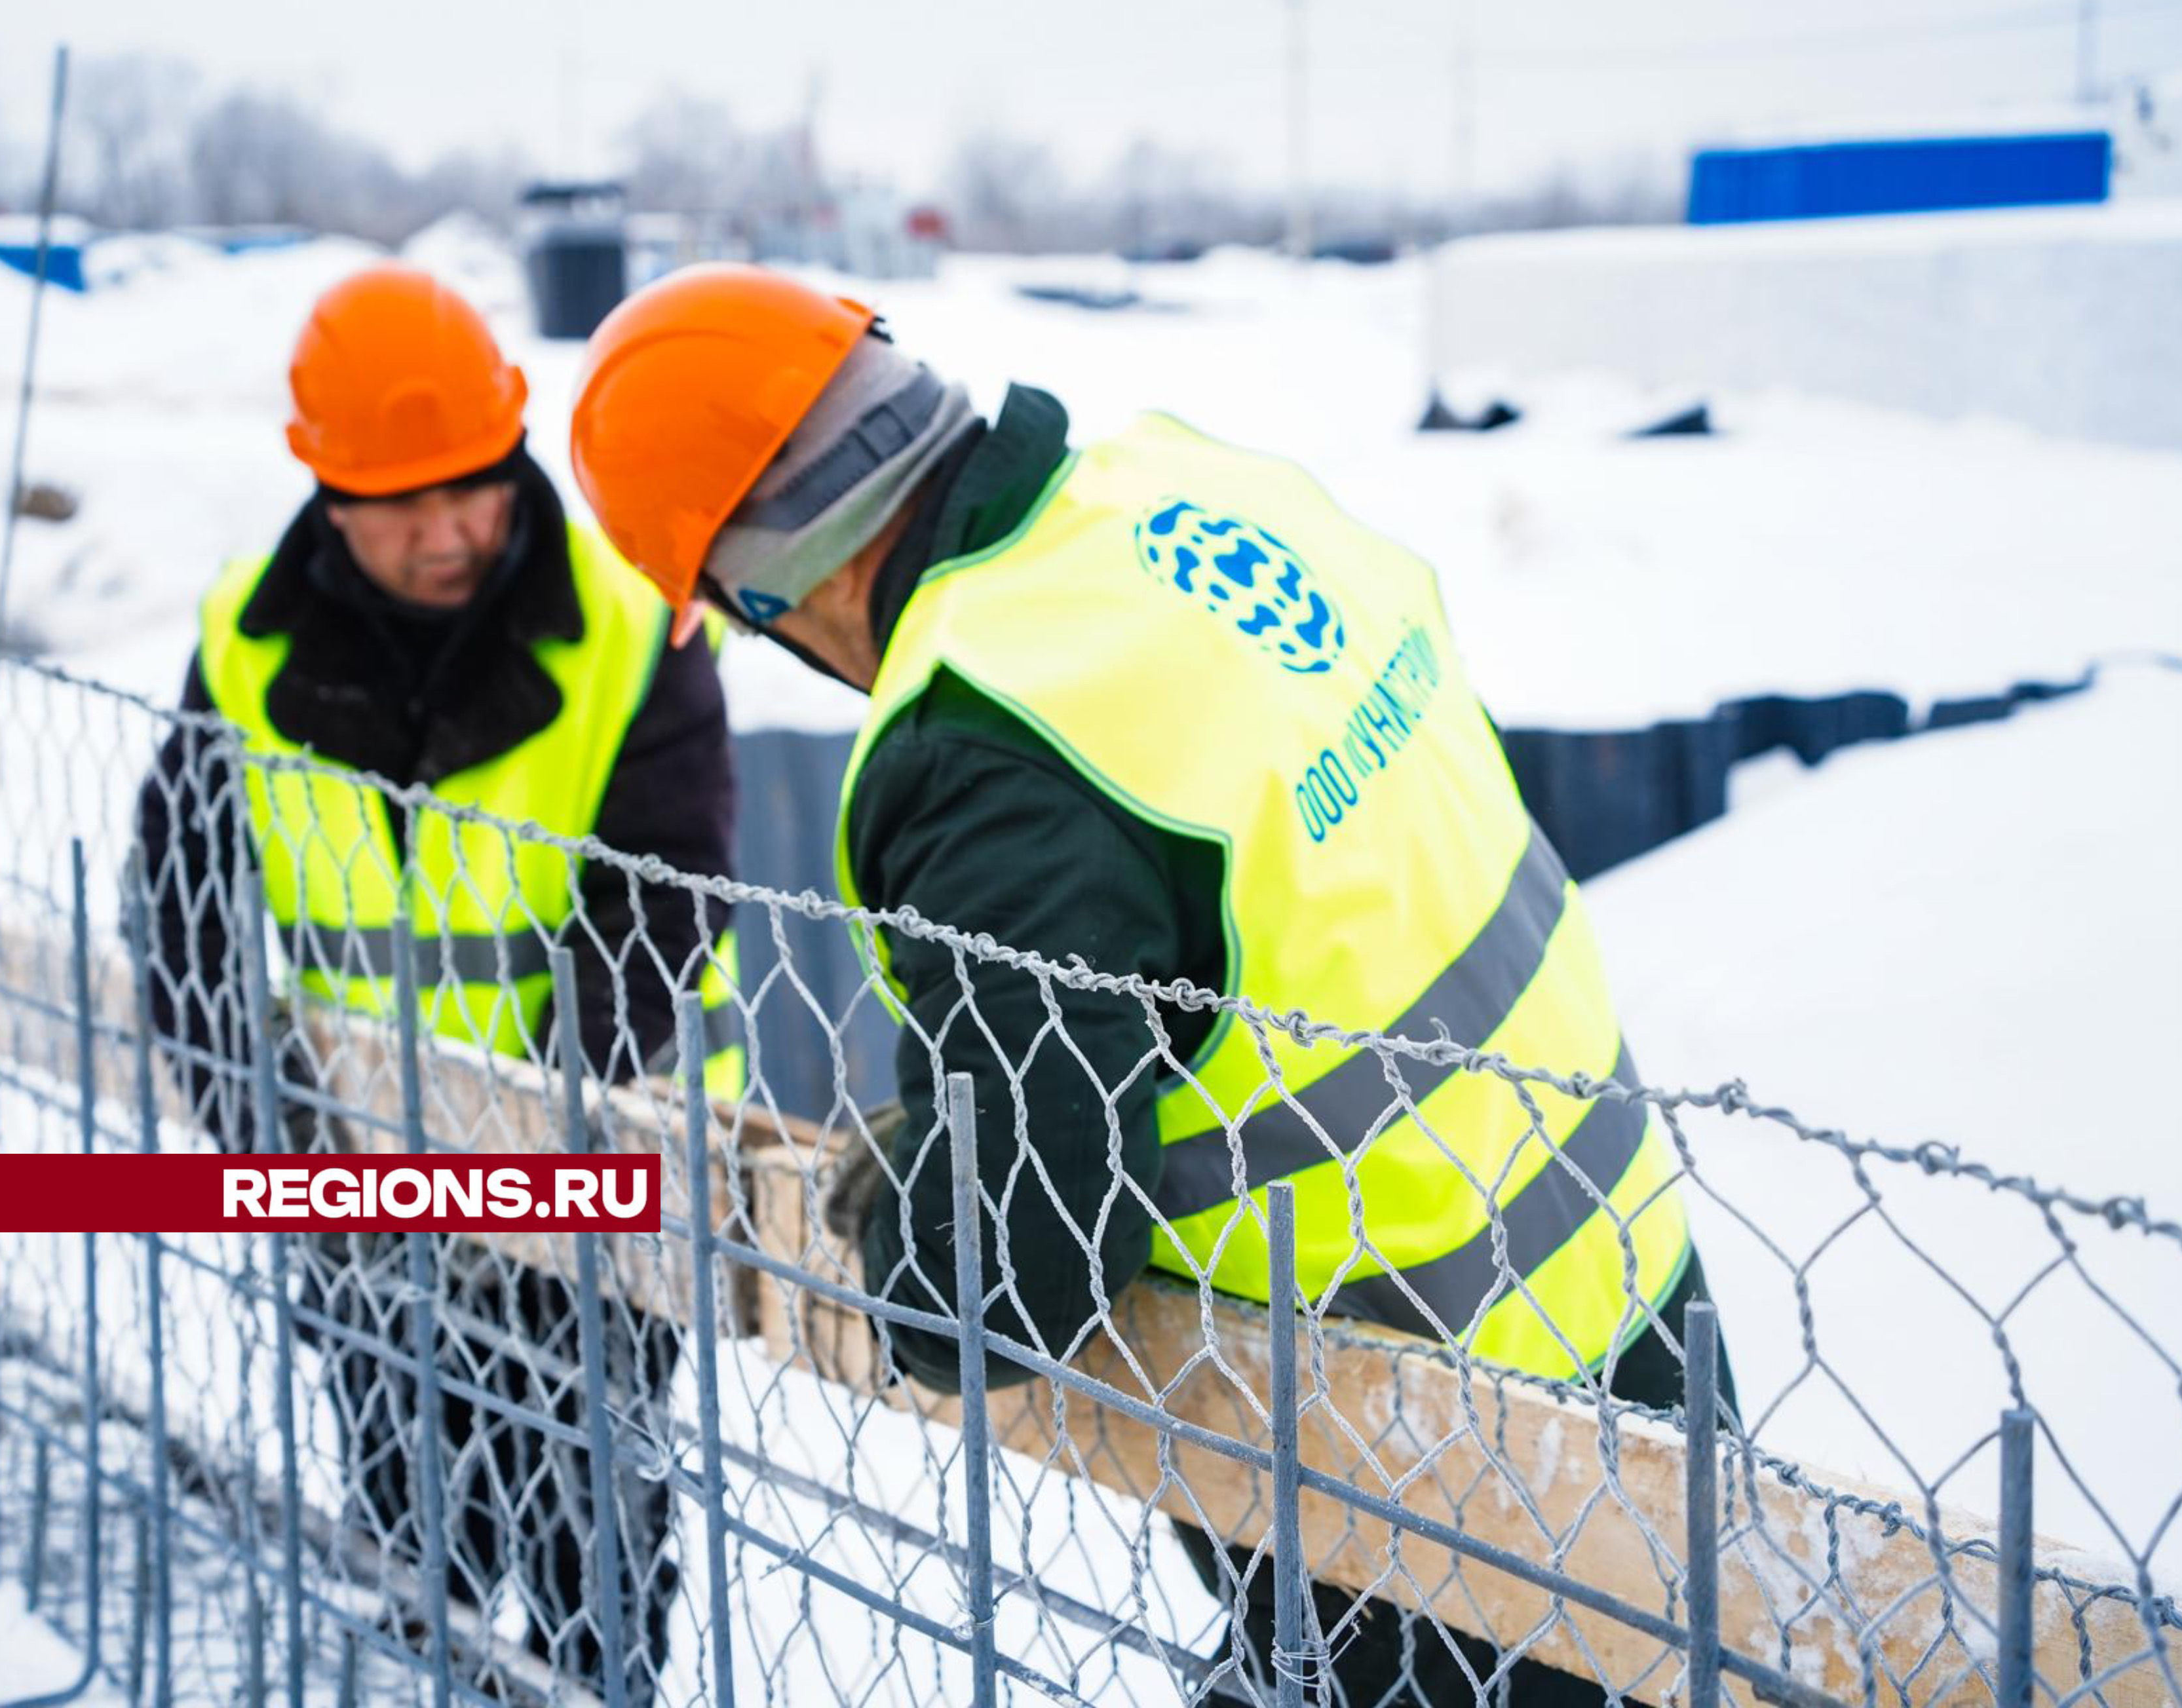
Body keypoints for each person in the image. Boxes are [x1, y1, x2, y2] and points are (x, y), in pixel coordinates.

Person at [568, 263, 1734, 1707]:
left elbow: (1005, 1278)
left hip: (1416, 1458)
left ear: (759, 580)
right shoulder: (1180, 492)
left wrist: (901, 1220)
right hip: (1630, 1296)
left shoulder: (979, 743)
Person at [132, 263, 739, 1701]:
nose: (451, 531)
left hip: (582, 1183)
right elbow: (182, 901)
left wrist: (535, 1137)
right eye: (403, 503)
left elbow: (656, 901)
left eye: (471, 486)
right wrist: (261, 1116)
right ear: (329, 496)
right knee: (414, 1543)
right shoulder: (248, 642)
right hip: (359, 1180)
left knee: (594, 1546)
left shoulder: (627, 625)